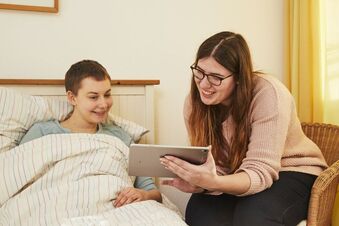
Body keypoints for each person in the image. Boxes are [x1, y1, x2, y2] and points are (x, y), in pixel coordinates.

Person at [160, 31, 328, 226]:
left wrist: (212, 182)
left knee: (253, 216)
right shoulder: (194, 104)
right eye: (199, 71)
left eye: (216, 77)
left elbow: (260, 172)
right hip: (237, 175)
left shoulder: (268, 94)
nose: (204, 84)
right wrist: (200, 184)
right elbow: (217, 168)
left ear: (239, 77)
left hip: (291, 170)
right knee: (200, 213)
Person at [20, 59, 162, 207]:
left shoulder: (120, 137)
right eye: (93, 97)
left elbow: (154, 193)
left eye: (107, 95)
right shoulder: (42, 133)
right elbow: (13, 179)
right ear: (72, 98)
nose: (103, 104)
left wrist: (142, 194)